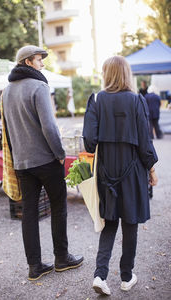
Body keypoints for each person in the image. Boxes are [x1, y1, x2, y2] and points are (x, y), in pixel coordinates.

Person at [2, 45, 83, 280]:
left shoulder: (6, 92)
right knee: (59, 207)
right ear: (28, 62)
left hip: (22, 163)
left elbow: (7, 130)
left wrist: (16, 159)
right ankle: (62, 258)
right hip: (46, 161)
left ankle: (34, 267)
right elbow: (49, 127)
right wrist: (60, 154)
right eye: (39, 60)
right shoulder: (39, 86)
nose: (43, 64)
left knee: (28, 212)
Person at [83, 56, 158, 296]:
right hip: (133, 170)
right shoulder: (137, 100)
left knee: (109, 223)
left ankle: (100, 274)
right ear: (127, 74)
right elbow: (145, 143)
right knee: (130, 223)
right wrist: (152, 170)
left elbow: (89, 142)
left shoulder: (96, 99)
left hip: (106, 171)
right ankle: (126, 277)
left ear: (106, 74)